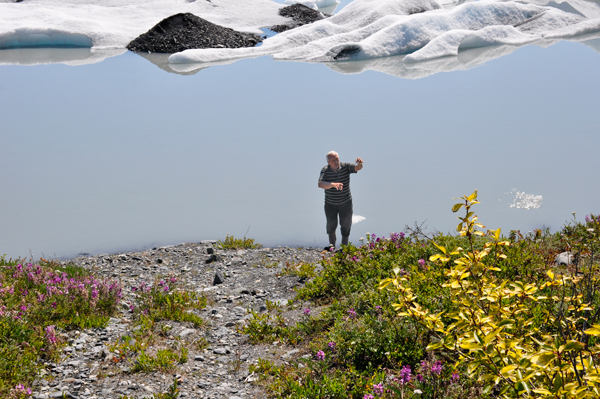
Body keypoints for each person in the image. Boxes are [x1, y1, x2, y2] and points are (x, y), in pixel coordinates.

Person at [318, 151, 364, 250]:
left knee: (346, 225)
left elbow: (357, 168)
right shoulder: (325, 170)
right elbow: (320, 184)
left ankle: (344, 248)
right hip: (330, 203)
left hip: (345, 202)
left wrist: (359, 164)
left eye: (337, 159)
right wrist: (332, 184)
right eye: (333, 160)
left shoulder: (345, 167)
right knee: (331, 225)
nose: (336, 161)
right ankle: (332, 246)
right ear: (328, 162)